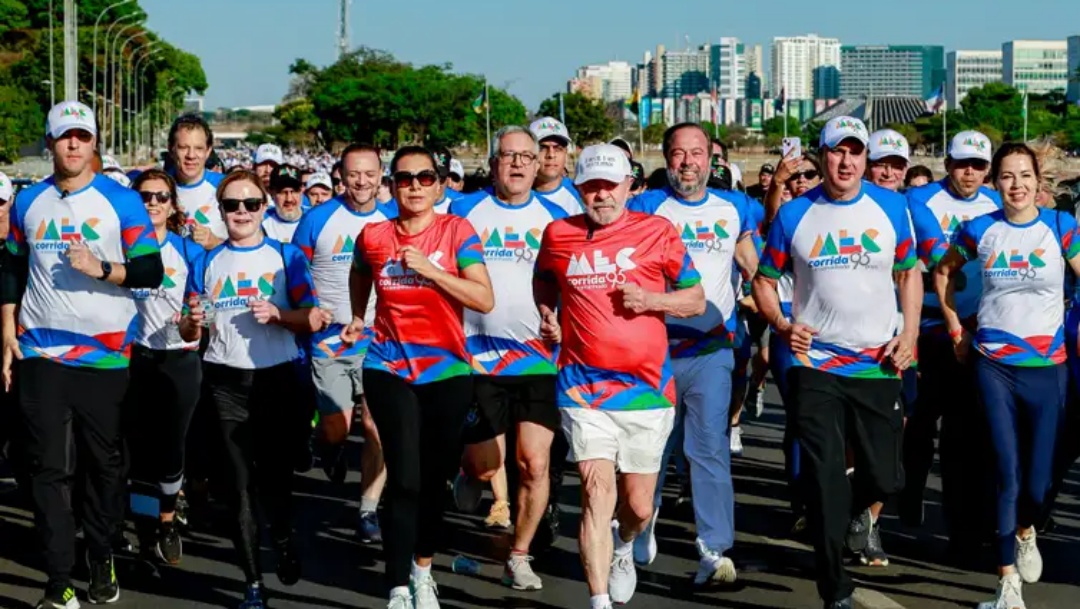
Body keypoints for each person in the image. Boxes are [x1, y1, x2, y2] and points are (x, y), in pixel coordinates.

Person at [752, 116, 921, 609]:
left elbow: (909, 273)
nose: (845, 161)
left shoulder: (891, 207)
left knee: (888, 477)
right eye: (835, 151)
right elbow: (764, 280)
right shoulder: (795, 214)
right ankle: (834, 587)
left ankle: (852, 515)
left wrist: (908, 334)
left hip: (878, 365)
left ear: (866, 158)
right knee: (826, 481)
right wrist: (783, 326)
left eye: (855, 152)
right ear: (819, 156)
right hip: (817, 366)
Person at [2, 101, 164, 609]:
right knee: (48, 469)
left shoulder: (121, 201)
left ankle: (99, 553)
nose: (74, 145)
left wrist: (103, 269)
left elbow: (150, 271)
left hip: (107, 359)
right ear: (49, 143)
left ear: (95, 143)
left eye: (83, 136)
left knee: (104, 468)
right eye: (64, 137)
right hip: (41, 352)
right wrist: (6, 328)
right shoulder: (29, 202)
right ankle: (58, 581)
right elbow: (10, 265)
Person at [534, 144, 705, 609]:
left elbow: (696, 300)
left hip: (647, 392)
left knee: (639, 506)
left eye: (610, 187)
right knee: (595, 492)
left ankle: (626, 545)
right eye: (591, 188)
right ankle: (599, 600)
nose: (601, 196)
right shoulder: (558, 234)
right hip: (582, 387)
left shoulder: (657, 231)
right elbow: (544, 278)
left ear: (630, 186)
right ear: (579, 189)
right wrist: (548, 313)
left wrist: (653, 302)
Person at [934, 142, 1080, 609]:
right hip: (993, 364)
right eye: (1008, 176)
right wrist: (956, 326)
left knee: (1038, 485)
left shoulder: (1061, 227)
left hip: (1046, 368)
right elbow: (943, 272)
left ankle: (1025, 529)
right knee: (1007, 471)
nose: (1016, 185)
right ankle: (1006, 583)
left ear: (1040, 182)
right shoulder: (980, 229)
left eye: (1025, 176)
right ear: (996, 184)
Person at [346, 146, 493, 609]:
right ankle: (395, 585)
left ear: (439, 184)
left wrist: (431, 271)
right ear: (391, 186)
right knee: (405, 478)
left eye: (424, 177)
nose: (414, 186)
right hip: (388, 366)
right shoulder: (374, 236)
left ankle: (422, 568)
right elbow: (359, 269)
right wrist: (357, 314)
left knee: (433, 481)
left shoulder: (457, 231)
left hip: (447, 370)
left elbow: (483, 298)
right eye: (405, 178)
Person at [186, 170, 325, 609]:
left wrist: (280, 315)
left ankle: (282, 539)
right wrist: (192, 319)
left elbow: (315, 318)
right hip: (224, 381)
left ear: (264, 208)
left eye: (250, 204)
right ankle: (252, 584)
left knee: (274, 483)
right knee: (238, 486)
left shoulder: (286, 257)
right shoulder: (205, 262)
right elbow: (194, 328)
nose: (241, 212)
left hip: (276, 380)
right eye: (232, 205)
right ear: (220, 210)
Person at [628, 123, 759, 584]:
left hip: (711, 350)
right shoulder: (645, 206)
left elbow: (754, 266)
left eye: (697, 153)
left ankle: (714, 549)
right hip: (653, 352)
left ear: (711, 159)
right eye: (679, 154)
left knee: (708, 449)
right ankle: (640, 524)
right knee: (652, 449)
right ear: (667, 159)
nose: (688, 162)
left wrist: (783, 316)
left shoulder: (736, 207)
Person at [450, 125, 569, 590]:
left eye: (526, 156)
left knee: (533, 464)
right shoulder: (463, 212)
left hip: (539, 359)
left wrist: (563, 322)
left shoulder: (558, 218)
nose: (517, 164)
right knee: (486, 464)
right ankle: (469, 470)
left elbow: (572, 284)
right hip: (475, 358)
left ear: (539, 164)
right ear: (493, 162)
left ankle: (519, 556)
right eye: (508, 156)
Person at [901, 131, 1001, 556]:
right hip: (927, 325)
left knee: (965, 433)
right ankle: (911, 488)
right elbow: (939, 261)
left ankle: (964, 528)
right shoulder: (921, 201)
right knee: (920, 420)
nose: (970, 173)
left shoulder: (997, 204)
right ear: (948, 162)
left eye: (979, 166)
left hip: (975, 327)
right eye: (963, 164)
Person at [292, 143, 397, 543]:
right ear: (341, 174)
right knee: (337, 428)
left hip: (380, 340)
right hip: (331, 341)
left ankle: (368, 509)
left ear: (381, 176)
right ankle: (329, 448)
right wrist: (310, 309)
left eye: (370, 174)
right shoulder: (318, 219)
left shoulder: (391, 220)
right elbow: (295, 273)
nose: (362, 182)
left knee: (375, 425)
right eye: (354, 174)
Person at [123, 169, 204, 565]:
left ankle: (168, 520)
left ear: (172, 205)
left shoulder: (187, 251)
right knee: (138, 449)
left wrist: (191, 321)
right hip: (134, 356)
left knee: (172, 447)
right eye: (144, 196)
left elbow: (198, 305)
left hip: (179, 357)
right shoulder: (121, 248)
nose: (152, 203)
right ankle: (143, 533)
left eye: (160, 197)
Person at [168, 114, 225, 249]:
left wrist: (214, 242)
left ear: (208, 151)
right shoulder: (155, 190)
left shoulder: (226, 187)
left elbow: (249, 245)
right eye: (183, 147)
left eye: (198, 148)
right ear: (171, 149)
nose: (191, 155)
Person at [530, 117, 584, 215]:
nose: (551, 155)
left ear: (565, 153)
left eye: (558, 148)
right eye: (542, 148)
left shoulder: (582, 193)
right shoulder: (516, 195)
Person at [262, 164, 305, 243]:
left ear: (302, 190)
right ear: (271, 193)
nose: (289, 199)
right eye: (282, 192)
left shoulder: (315, 218)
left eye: (294, 191)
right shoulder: (261, 221)